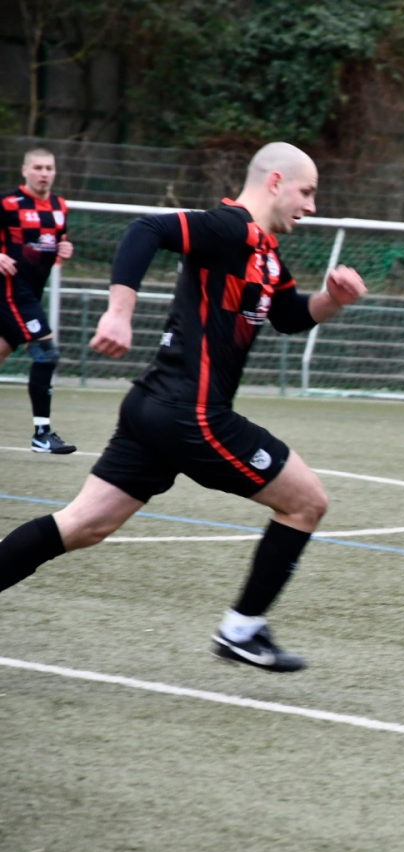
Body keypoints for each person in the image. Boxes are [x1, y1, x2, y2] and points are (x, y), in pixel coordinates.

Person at [0, 142, 367, 672]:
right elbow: (146, 229)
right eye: (306, 192)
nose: (311, 206)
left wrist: (332, 299)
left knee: (82, 526)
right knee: (306, 502)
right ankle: (241, 631)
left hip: (153, 407)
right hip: (192, 413)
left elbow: (287, 314)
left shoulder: (263, 251)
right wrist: (119, 312)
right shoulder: (230, 228)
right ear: (275, 182)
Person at [0, 147, 76, 454]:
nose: (44, 173)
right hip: (10, 290)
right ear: (25, 171)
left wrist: (64, 248)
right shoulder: (7, 203)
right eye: (38, 168)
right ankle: (42, 434)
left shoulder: (59, 206)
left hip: (31, 292)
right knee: (46, 351)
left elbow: (56, 242)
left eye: (49, 168)